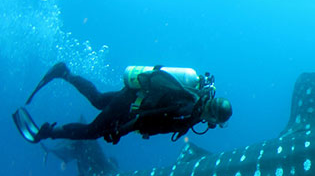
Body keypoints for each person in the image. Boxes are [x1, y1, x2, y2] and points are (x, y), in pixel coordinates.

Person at [12, 62, 232, 144]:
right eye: (216, 122)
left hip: (133, 96)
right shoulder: (187, 108)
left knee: (98, 99)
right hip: (130, 107)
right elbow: (145, 118)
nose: (212, 125)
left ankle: (65, 73)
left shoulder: (193, 103)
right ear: (212, 116)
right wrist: (121, 131)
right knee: (91, 132)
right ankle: (46, 133)